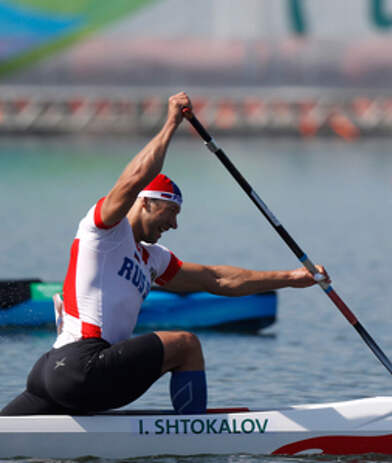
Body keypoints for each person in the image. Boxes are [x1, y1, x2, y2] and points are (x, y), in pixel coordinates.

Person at [1, 92, 328, 416]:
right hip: (82, 364)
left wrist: (291, 278)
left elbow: (217, 278)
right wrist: (172, 122)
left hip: (52, 373)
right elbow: (133, 179)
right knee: (185, 345)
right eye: (169, 212)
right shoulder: (104, 231)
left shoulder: (153, 259)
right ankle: (197, 437)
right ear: (144, 203)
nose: (173, 224)